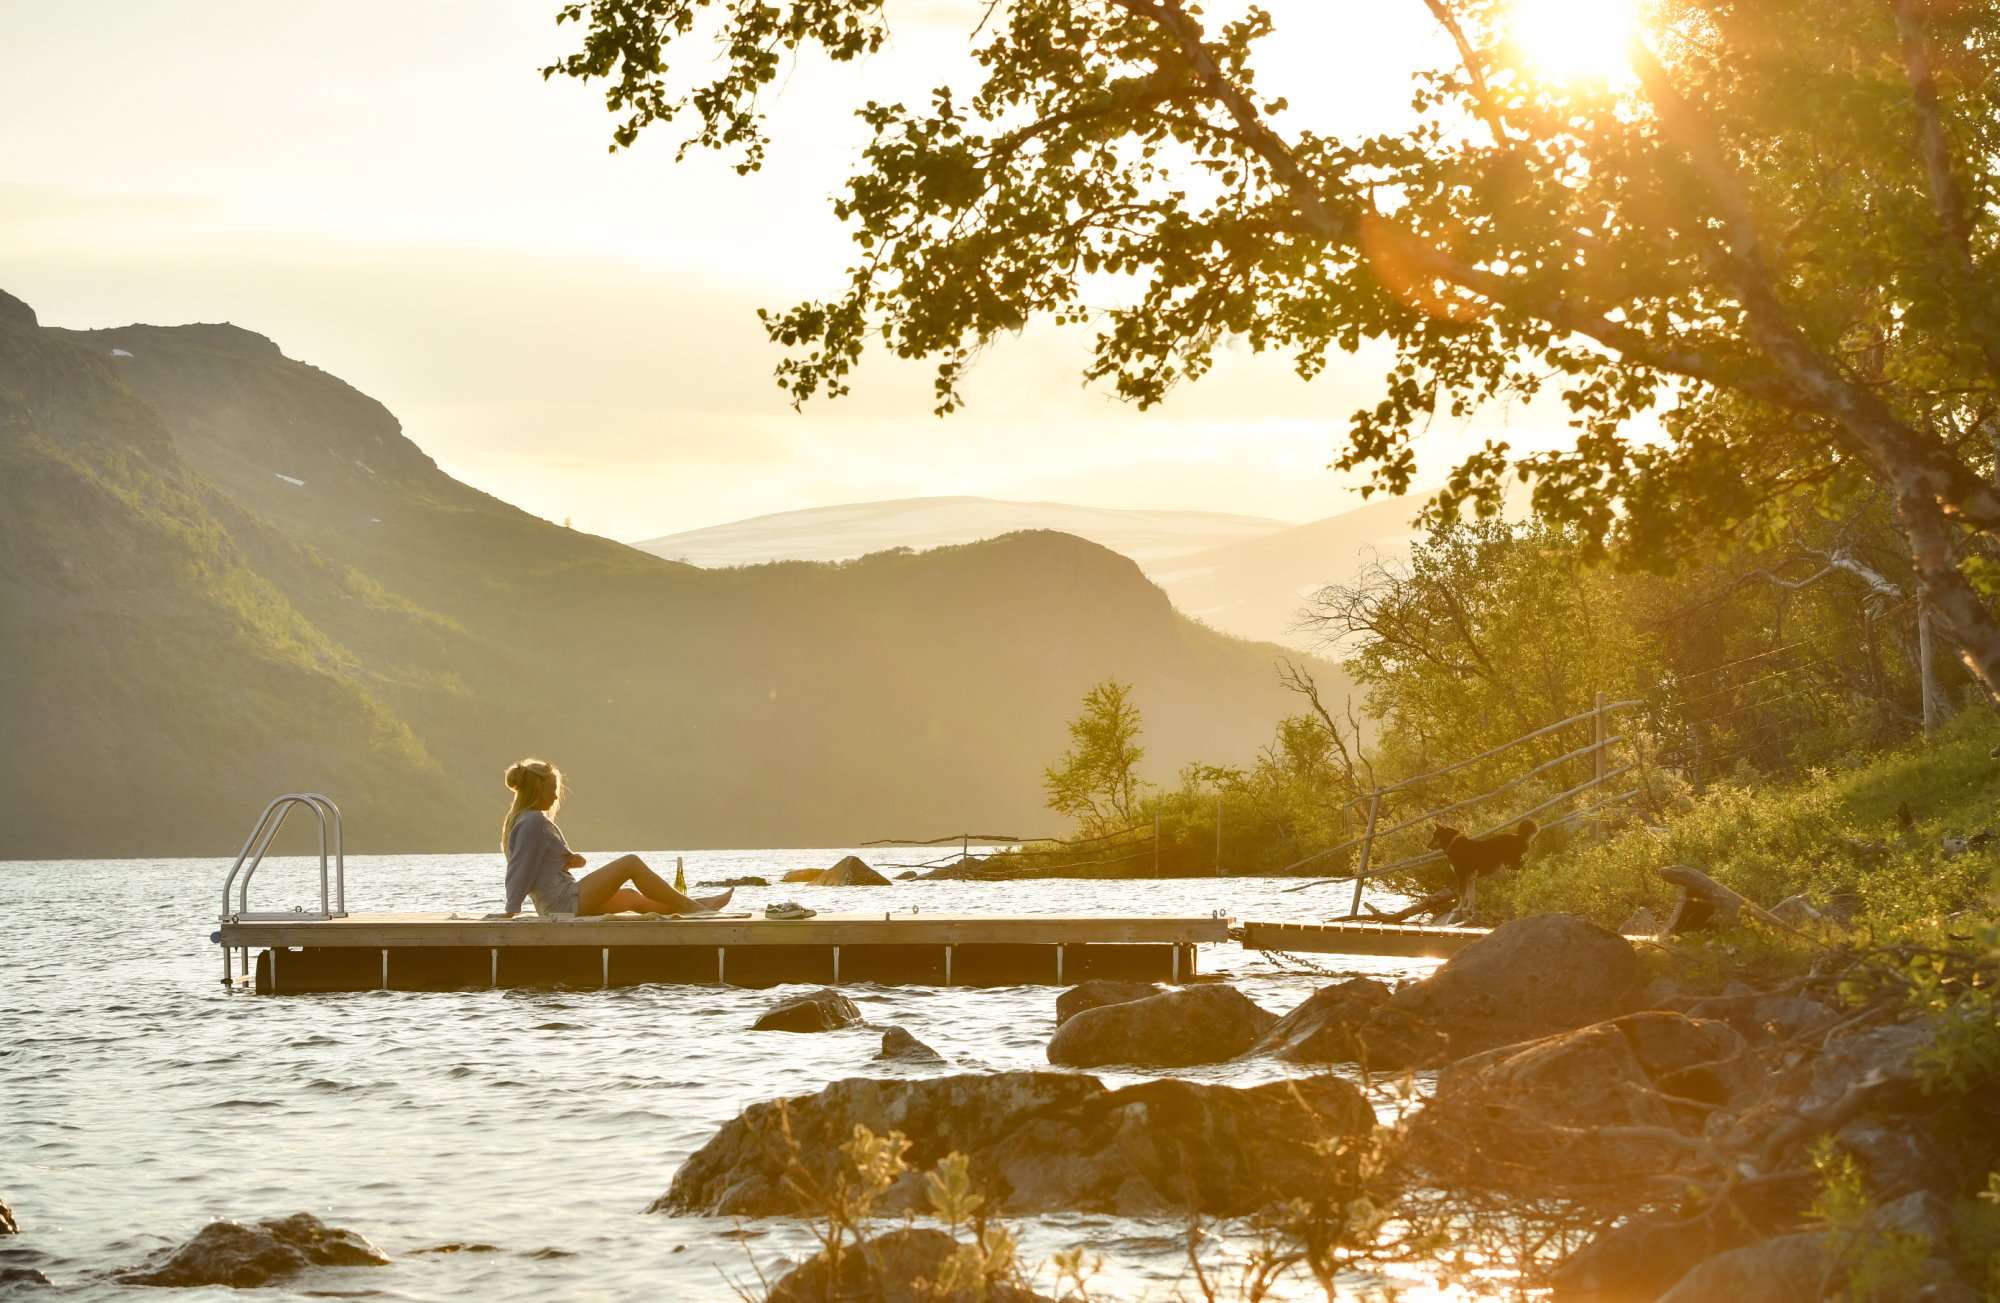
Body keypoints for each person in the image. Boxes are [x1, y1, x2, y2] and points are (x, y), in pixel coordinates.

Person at [494, 758, 731, 918]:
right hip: (561, 904)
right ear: (537, 789)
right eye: (552, 788)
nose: (556, 796)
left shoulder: (527, 821)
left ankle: (697, 906)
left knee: (631, 898)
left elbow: (539, 866)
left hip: (559, 904)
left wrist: (569, 861)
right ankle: (694, 907)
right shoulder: (533, 821)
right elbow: (520, 868)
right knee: (631, 863)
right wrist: (510, 909)